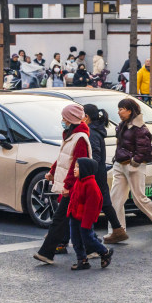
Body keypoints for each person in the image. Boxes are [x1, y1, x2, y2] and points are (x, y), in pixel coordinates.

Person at [32, 104, 93, 264]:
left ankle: (46, 253)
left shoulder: (79, 138)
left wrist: (68, 185)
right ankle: (95, 249)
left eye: (64, 118)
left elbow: (77, 164)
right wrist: (52, 172)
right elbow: (63, 158)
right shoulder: (70, 135)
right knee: (74, 220)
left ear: (71, 119)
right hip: (70, 186)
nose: (62, 121)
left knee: (59, 220)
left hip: (73, 187)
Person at [111, 98, 152, 235]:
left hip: (133, 166)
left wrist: (134, 162)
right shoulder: (122, 125)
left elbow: (144, 149)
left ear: (130, 110)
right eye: (119, 109)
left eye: (121, 109)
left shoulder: (140, 128)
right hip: (120, 164)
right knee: (115, 199)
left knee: (139, 198)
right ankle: (117, 230)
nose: (119, 112)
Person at [81, 104, 128, 244]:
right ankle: (118, 229)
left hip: (94, 173)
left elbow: (95, 155)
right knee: (105, 202)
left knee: (92, 203)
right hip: (99, 172)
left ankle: (89, 238)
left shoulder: (92, 132)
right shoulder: (96, 130)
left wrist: (86, 168)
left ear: (87, 116)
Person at [66, 158, 114, 270]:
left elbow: (92, 206)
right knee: (75, 239)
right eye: (75, 166)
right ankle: (82, 260)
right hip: (75, 215)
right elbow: (74, 198)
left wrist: (87, 222)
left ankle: (104, 252)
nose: (74, 169)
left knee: (88, 239)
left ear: (85, 169)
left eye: (77, 167)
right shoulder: (79, 181)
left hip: (84, 219)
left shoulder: (91, 185)